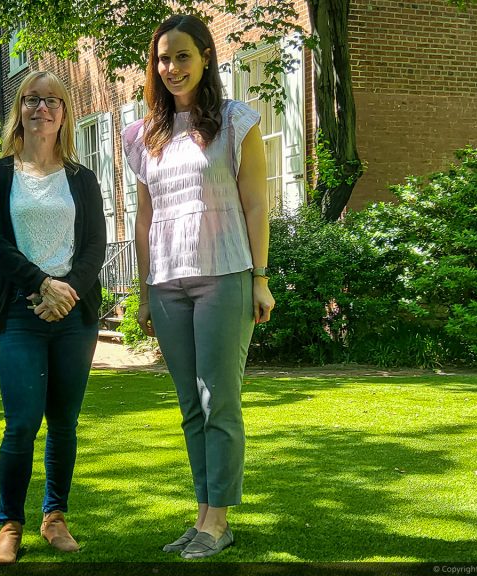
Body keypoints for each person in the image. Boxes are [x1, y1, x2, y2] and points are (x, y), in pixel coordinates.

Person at [122, 14, 275, 560]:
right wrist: (142, 292)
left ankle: (219, 520)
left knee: (220, 402)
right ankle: (202, 514)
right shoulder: (142, 136)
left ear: (206, 56)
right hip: (166, 281)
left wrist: (260, 278)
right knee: (190, 404)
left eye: (182, 56)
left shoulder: (237, 121)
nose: (171, 68)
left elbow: (257, 204)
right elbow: (143, 219)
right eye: (162, 59)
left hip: (225, 273)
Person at [0, 70, 106, 565]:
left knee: (64, 423)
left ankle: (55, 517)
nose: (42, 108)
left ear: (64, 112)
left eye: (52, 100)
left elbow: (95, 244)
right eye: (32, 99)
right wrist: (40, 284)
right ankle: (9, 524)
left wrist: (68, 290)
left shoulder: (82, 178)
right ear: (20, 110)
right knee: (22, 423)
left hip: (74, 313)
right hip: (22, 310)